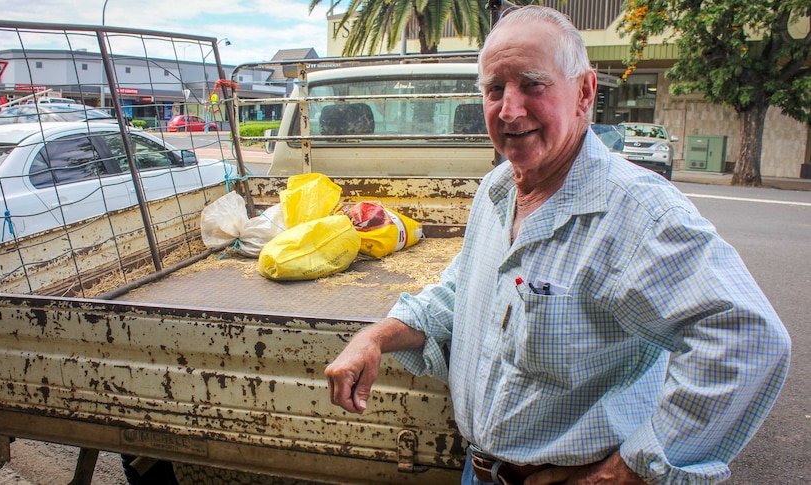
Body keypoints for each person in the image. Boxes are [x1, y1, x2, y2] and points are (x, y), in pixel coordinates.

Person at [325, 5, 791, 485]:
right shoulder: (498, 189)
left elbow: (748, 338)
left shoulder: (634, 210)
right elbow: (462, 293)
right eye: (494, 89)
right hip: (479, 469)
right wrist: (375, 337)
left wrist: (626, 472)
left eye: (532, 84)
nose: (509, 109)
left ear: (584, 93)